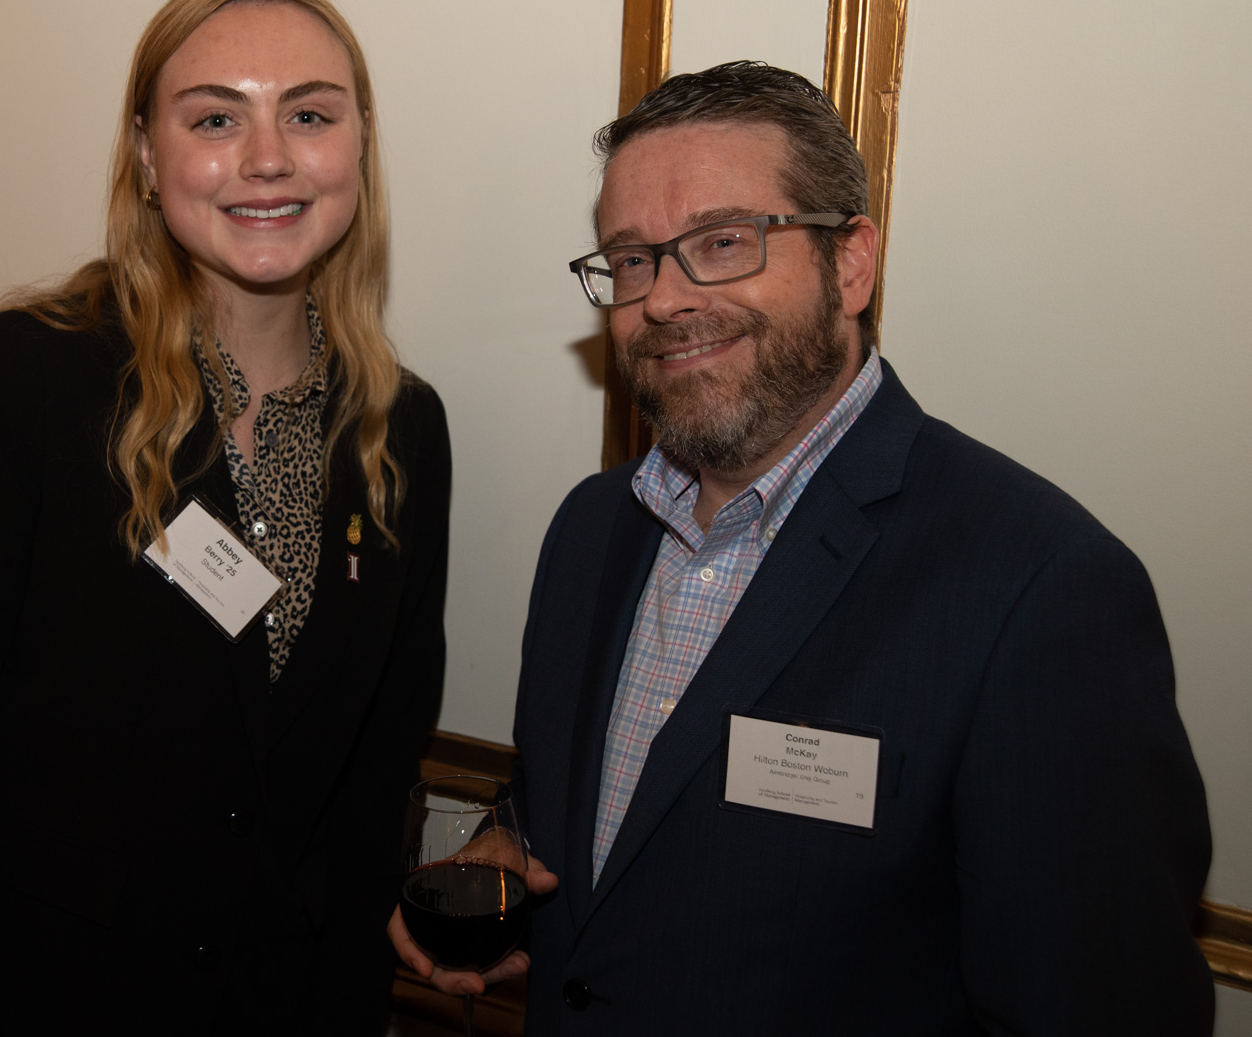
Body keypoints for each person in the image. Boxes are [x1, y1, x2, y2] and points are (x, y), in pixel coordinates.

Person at [392, 61, 1213, 1033]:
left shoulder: (1040, 591)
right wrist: (507, 841)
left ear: (851, 263)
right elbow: (587, 806)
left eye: (723, 242)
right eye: (633, 260)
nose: (665, 299)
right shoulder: (591, 528)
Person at [0, 0, 451, 1035]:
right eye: (216, 118)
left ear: (359, 147)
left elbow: (375, 773)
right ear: (149, 157)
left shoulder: (402, 430)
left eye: (309, 115)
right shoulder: (37, 383)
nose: (268, 157)